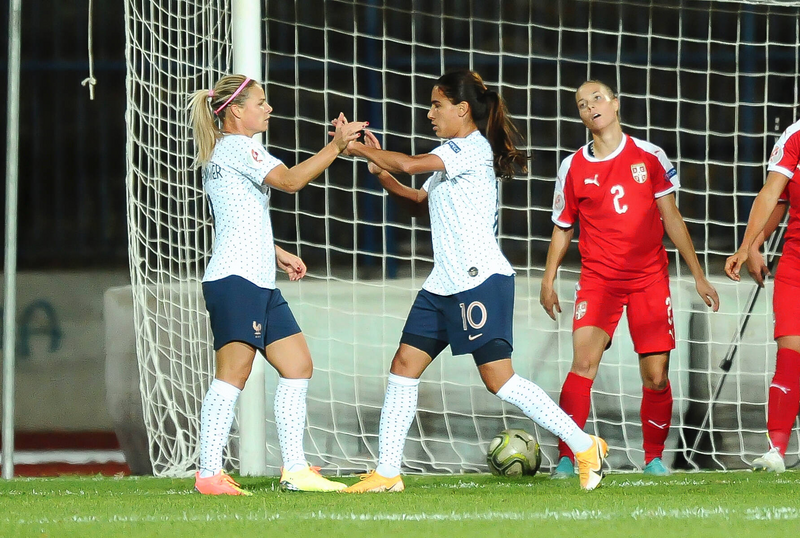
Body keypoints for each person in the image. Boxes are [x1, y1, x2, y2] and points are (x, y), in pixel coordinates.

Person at [336, 70, 608, 493]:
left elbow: (408, 163)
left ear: (462, 109)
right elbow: (418, 201)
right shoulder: (450, 154)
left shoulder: (471, 149)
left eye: (436, 105)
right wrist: (382, 172)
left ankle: (584, 445)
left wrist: (353, 148)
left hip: (478, 280)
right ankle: (387, 473)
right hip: (443, 283)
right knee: (404, 367)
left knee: (499, 379)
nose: (429, 114)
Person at [187, 74, 367, 495]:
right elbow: (290, 182)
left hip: (257, 278)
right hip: (236, 280)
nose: (269, 109)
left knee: (298, 364)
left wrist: (276, 251)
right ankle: (208, 473)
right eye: (261, 102)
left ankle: (296, 470)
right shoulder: (238, 146)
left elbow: (239, 217)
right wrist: (336, 146)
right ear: (236, 110)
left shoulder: (227, 151)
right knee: (233, 374)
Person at [541, 80, 720, 478]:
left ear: (616, 104)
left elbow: (672, 217)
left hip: (649, 280)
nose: (590, 107)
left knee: (656, 377)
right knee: (582, 363)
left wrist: (698, 275)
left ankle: (654, 458)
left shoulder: (650, 156)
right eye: (582, 104)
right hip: (598, 280)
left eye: (597, 98)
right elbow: (562, 226)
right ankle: (569, 458)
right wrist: (548, 278)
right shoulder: (572, 166)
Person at [725, 117, 800, 473]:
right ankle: (776, 450)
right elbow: (774, 195)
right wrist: (750, 244)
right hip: (796, 265)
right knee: (790, 353)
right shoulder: (795, 135)